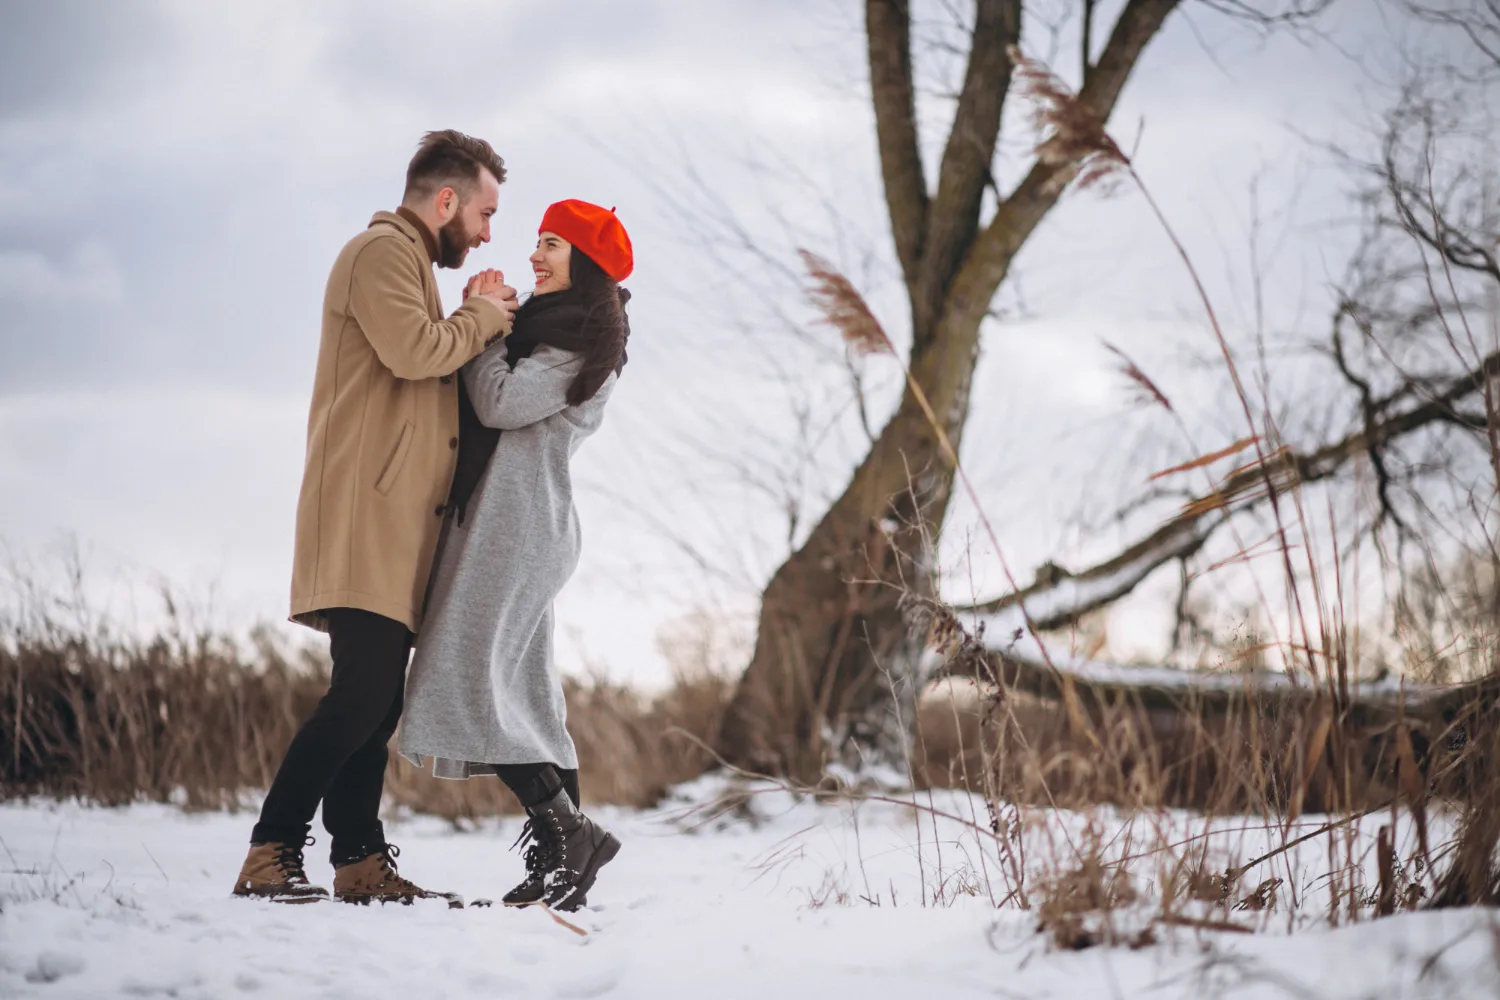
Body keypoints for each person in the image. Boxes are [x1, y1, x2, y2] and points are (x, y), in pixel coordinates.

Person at [232, 130, 519, 904]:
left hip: (391, 524)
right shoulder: (380, 253)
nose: (490, 232)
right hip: (366, 515)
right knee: (361, 694)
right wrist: (486, 314)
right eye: (486, 213)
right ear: (448, 200)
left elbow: (422, 359)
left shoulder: (409, 266)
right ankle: (270, 851)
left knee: (378, 697)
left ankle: (358, 861)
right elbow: (418, 354)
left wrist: (467, 309)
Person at [399, 199, 632, 912]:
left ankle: (570, 835)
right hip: (514, 523)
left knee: (468, 674)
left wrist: (485, 327)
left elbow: (499, 402)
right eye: (538, 241)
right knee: (526, 691)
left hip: (518, 525)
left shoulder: (580, 338)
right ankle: (566, 860)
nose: (537, 254)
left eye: (554, 244)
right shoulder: (551, 327)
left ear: (585, 261)